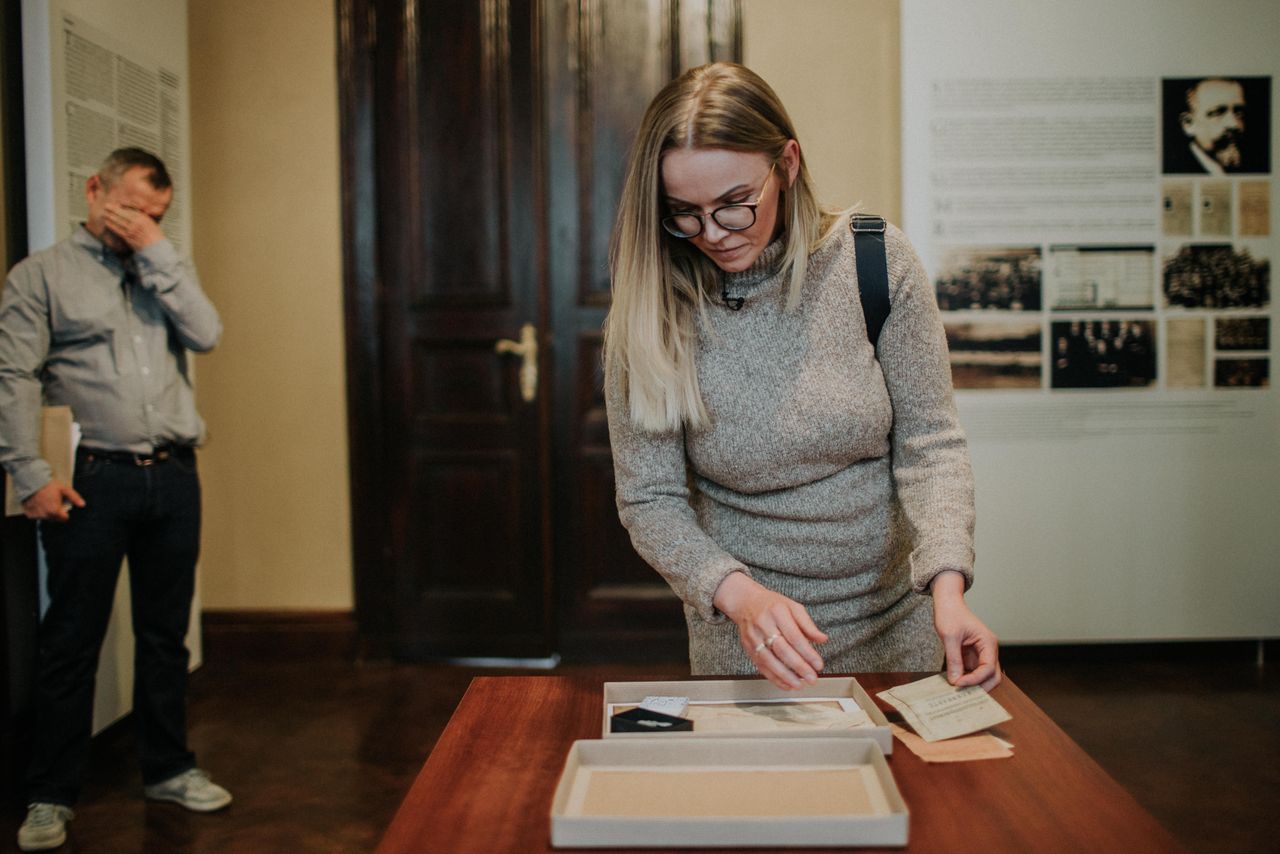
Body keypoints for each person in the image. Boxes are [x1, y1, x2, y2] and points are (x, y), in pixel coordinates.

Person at [603, 62, 1001, 694]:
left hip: (897, 624)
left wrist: (948, 586)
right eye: (684, 213)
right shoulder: (654, 309)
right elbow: (649, 501)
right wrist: (738, 598)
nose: (711, 235)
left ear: (786, 164)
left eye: (734, 205)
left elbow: (931, 444)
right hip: (748, 638)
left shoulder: (875, 262)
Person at [0, 148, 229, 851]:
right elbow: (14, 376)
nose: (140, 223)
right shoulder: (41, 275)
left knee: (165, 634)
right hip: (90, 478)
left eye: (154, 214)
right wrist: (29, 473)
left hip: (174, 473)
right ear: (94, 189)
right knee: (72, 639)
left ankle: (168, 768)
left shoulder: (161, 264)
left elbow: (207, 332)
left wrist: (156, 249)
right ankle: (50, 793)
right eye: (131, 208)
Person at [1167, 77, 1249, 175]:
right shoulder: (1175, 170)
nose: (1234, 124)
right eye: (1218, 112)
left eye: (1239, 113)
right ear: (1188, 123)